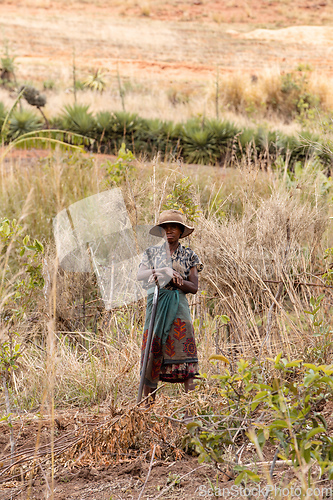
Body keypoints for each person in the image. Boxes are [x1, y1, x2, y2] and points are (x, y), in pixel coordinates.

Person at [137, 209, 203, 404]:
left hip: (178, 306)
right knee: (152, 350)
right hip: (156, 305)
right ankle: (148, 406)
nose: (169, 231)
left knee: (184, 349)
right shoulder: (152, 253)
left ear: (181, 231)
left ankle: (191, 405)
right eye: (165, 227)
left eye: (173, 227)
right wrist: (163, 270)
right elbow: (140, 275)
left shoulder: (190, 255)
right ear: (161, 231)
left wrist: (173, 280)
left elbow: (194, 287)